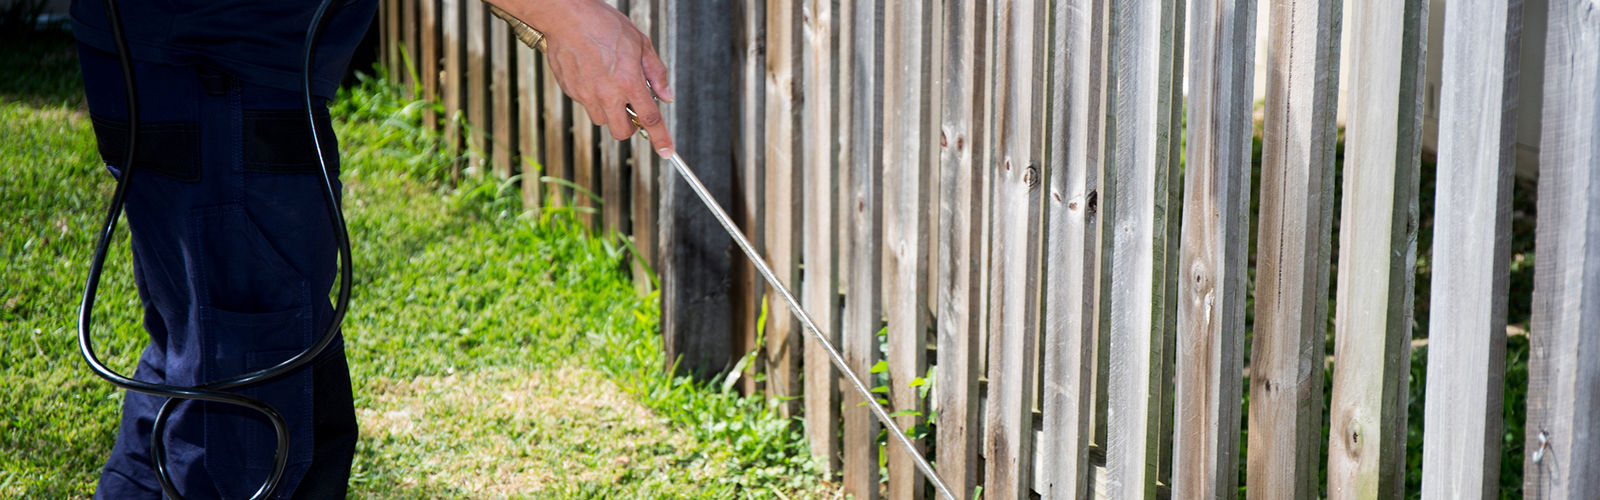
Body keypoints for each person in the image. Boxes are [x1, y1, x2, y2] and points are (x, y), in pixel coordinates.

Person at [69, 0, 673, 497]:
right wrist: (567, 17)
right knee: (253, 437)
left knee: (208, 370)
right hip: (215, 78)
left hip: (199, 71)